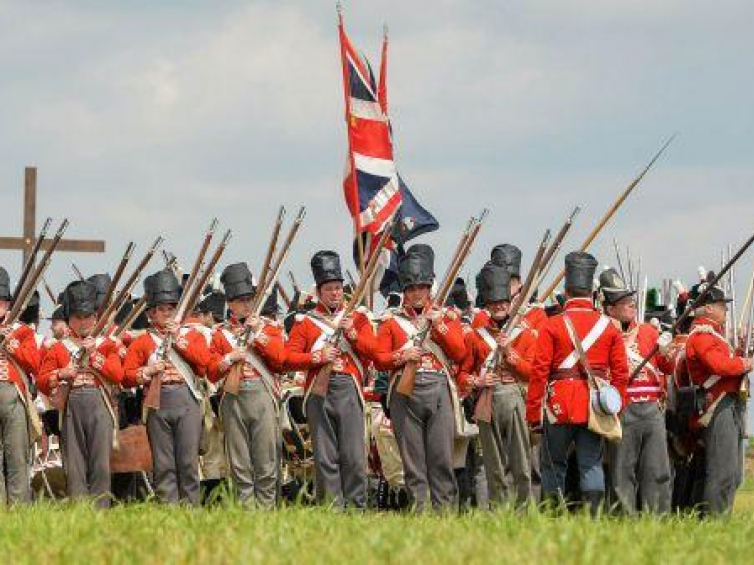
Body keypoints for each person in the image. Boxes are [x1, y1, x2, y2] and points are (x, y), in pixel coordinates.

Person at [526, 252, 629, 514]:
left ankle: (552, 518)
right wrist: (617, 406)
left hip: (559, 403)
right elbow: (620, 373)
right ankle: (592, 520)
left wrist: (533, 414)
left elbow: (539, 372)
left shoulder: (552, 325)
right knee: (591, 463)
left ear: (567, 290)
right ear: (592, 292)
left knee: (553, 465)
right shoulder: (609, 327)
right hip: (595, 405)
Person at [375, 244, 467, 511]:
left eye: (422, 288)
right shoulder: (391, 320)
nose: (417, 294)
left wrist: (438, 324)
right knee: (413, 460)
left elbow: (460, 352)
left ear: (429, 288)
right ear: (404, 291)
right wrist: (403, 356)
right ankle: (420, 511)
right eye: (412, 289)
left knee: (441, 457)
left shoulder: (446, 316)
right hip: (405, 391)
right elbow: (380, 358)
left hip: (439, 387)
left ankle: (445, 512)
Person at [284, 251, 377, 509]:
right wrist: (317, 357)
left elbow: (376, 352)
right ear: (319, 291)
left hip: (349, 388)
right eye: (329, 288)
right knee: (325, 457)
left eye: (338, 287)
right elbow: (288, 358)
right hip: (318, 391)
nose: (335, 293)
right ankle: (331, 509)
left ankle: (356, 507)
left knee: (354, 456)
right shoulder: (305, 322)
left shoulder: (357, 317)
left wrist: (354, 335)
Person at [123, 269, 211, 505]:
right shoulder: (142, 341)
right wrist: (147, 372)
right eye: (162, 309)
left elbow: (204, 364)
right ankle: (168, 509)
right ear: (151, 313)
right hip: (157, 401)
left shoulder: (191, 336)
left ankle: (191, 508)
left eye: (171, 308)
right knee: (163, 464)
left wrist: (179, 340)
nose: (167, 313)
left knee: (188, 461)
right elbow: (127, 376)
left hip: (186, 400)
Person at [38, 280, 123, 507]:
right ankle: (79, 513)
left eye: (87, 316)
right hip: (71, 406)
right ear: (69, 320)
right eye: (78, 317)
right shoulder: (58, 347)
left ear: (96, 317)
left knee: (101, 465)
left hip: (99, 403)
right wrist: (61, 373)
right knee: (74, 465)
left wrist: (95, 355)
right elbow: (43, 382)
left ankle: (101, 511)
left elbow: (117, 374)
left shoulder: (106, 345)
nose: (83, 322)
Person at [209, 263, 285, 508]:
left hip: (262, 393)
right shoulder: (220, 333)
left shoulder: (269, 327)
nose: (246, 304)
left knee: (266, 458)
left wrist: (258, 336)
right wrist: (229, 358)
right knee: (240, 460)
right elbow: (210, 372)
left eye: (249, 299)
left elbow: (280, 360)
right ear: (229, 303)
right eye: (240, 300)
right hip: (233, 396)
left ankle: (266, 508)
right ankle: (246, 509)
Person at [460, 262, 535, 508]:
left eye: (503, 302)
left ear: (510, 303)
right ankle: (498, 509)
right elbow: (462, 374)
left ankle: (523, 510)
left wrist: (509, 352)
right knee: (492, 463)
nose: (499, 306)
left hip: (515, 396)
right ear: (488, 306)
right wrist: (478, 381)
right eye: (494, 303)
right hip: (487, 401)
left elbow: (531, 372)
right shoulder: (475, 336)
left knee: (521, 462)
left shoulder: (524, 334)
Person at [598, 268, 671, 513]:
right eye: (624, 302)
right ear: (610, 309)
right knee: (622, 471)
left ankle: (657, 518)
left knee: (657, 470)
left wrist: (665, 352)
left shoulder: (649, 332)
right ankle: (623, 520)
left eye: (631, 300)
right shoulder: (604, 334)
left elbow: (667, 367)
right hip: (623, 408)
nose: (631, 305)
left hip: (651, 407)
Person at [682, 279, 752, 514]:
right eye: (722, 305)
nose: (726, 310)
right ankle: (715, 520)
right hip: (717, 405)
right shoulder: (701, 335)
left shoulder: (715, 335)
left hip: (728, 403)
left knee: (730, 471)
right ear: (709, 308)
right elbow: (720, 366)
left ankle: (721, 517)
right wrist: (745, 362)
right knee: (722, 470)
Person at [0, 266, 40, 504]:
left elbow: (35, 363)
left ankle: (20, 513)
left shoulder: (22, 332)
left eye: (2, 301)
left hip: (14, 397)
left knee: (17, 458)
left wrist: (12, 344)